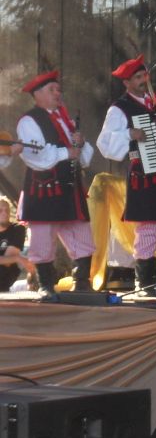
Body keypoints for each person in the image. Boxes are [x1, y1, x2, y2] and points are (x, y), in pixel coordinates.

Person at [97, 55, 156, 292]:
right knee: (148, 227)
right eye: (137, 77)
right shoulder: (119, 109)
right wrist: (130, 134)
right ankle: (145, 281)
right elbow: (104, 143)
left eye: (144, 75)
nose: (143, 80)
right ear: (126, 83)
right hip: (143, 173)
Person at [15, 69, 96, 294]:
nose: (57, 93)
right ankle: (46, 286)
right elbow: (34, 154)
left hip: (69, 187)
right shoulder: (29, 121)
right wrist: (66, 152)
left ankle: (82, 283)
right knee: (42, 237)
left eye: (58, 89)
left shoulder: (65, 119)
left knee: (81, 232)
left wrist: (80, 143)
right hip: (44, 187)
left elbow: (83, 157)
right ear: (37, 94)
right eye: (52, 90)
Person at [0, 195, 33, 293]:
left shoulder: (17, 229)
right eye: (0, 210)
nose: (4, 213)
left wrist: (14, 258)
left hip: (5, 275)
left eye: (7, 210)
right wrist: (18, 258)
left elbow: (8, 261)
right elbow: (12, 258)